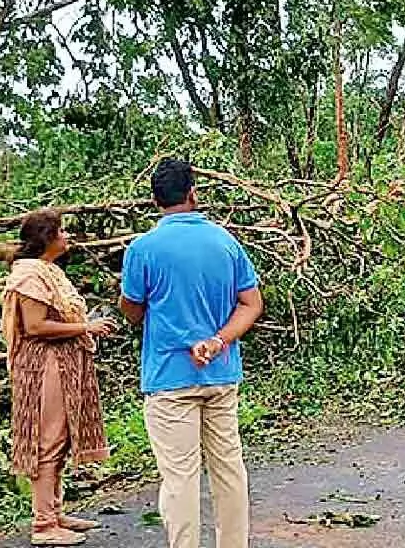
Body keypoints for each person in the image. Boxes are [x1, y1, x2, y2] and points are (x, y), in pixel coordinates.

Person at [119, 158, 264, 548]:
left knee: (180, 477)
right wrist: (218, 341)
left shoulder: (143, 248)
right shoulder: (225, 242)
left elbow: (132, 311)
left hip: (169, 377)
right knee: (229, 469)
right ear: (192, 193)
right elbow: (251, 304)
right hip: (220, 374)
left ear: (155, 200)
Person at [1, 209, 114, 547]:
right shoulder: (29, 277)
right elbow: (35, 326)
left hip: (62, 361)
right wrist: (85, 327)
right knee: (47, 440)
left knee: (61, 437)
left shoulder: (48, 271)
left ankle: (55, 511)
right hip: (43, 364)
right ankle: (43, 524)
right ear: (46, 238)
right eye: (61, 231)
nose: (67, 237)